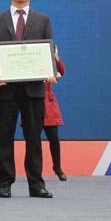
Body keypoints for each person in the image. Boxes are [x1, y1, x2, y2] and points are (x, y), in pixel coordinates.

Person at [0, 0, 56, 199]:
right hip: (5, 89)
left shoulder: (43, 20)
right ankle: (4, 183)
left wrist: (50, 70)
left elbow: (49, 50)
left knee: (34, 138)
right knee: (3, 138)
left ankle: (36, 184)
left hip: (33, 90)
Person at [43, 45, 67, 181]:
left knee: (54, 138)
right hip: (32, 103)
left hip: (49, 104)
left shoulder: (51, 60)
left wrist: (56, 57)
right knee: (33, 140)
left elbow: (62, 71)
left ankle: (57, 167)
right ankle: (35, 169)